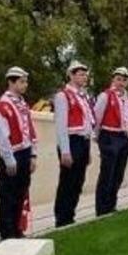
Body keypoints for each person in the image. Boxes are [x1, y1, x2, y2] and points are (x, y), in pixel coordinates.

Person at [0, 67, 37, 240]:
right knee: (8, 193)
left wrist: (33, 154)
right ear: (11, 82)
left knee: (21, 192)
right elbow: (2, 136)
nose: (25, 85)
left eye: (26, 81)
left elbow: (30, 130)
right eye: (21, 81)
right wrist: (9, 159)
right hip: (12, 154)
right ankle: (6, 229)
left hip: (25, 152)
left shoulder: (22, 103)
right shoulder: (3, 106)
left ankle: (17, 227)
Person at [53, 61, 94, 227]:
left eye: (85, 74)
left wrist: (88, 148)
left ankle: (70, 214)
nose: (84, 77)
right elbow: (61, 125)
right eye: (80, 74)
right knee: (68, 182)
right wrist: (65, 150)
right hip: (71, 141)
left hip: (83, 141)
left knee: (78, 181)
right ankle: (62, 217)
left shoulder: (83, 96)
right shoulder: (63, 95)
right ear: (71, 75)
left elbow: (87, 123)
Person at [93, 67, 128, 216]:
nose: (121, 83)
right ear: (113, 80)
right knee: (107, 173)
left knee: (118, 174)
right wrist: (97, 135)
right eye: (118, 79)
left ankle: (112, 204)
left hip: (122, 136)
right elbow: (97, 116)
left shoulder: (126, 98)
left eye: (124, 80)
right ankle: (102, 208)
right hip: (109, 134)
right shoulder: (105, 95)